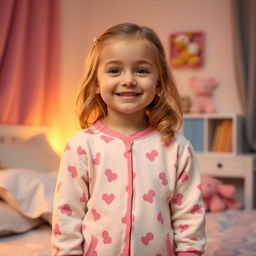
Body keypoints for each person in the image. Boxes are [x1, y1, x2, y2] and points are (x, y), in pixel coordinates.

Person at [51, 22, 206, 256]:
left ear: (159, 83)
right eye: (114, 70)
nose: (129, 80)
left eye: (141, 70)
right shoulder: (81, 146)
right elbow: (67, 215)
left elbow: (188, 214)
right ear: (96, 83)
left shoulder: (176, 148)